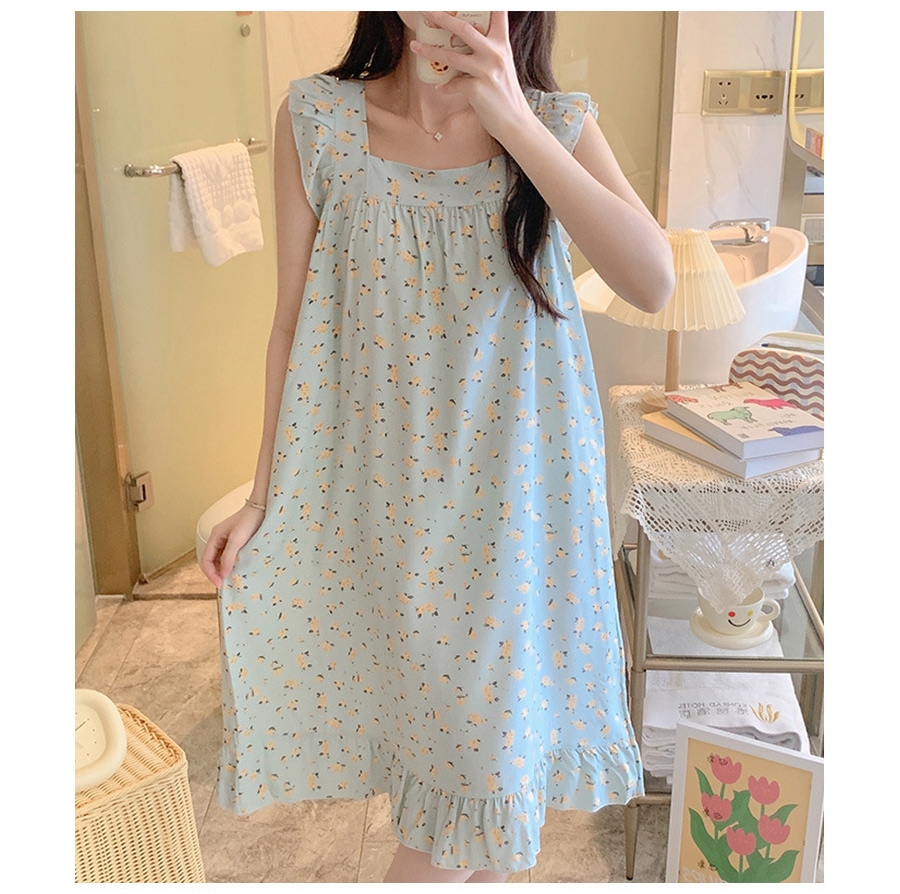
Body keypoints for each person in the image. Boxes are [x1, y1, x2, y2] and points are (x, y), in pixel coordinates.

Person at [202, 11, 674, 884]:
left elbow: (652, 279)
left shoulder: (554, 124)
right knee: (463, 793)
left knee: (484, 786)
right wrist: (263, 496)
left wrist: (514, 120)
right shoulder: (317, 121)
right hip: (382, 512)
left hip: (515, 520)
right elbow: (289, 324)